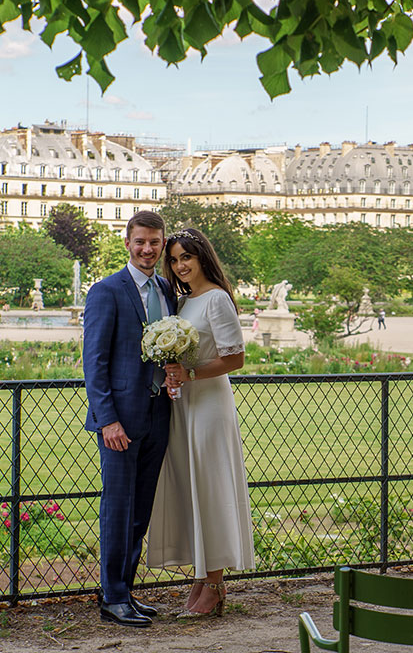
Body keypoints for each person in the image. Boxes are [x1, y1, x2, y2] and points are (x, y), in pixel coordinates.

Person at [148, 227, 254, 618]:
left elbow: (235, 358)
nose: (180, 266)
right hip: (184, 403)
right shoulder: (182, 302)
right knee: (190, 487)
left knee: (209, 486)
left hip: (209, 402)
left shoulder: (217, 300)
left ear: (202, 257)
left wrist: (189, 375)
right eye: (174, 260)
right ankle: (204, 577)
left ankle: (213, 582)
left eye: (186, 258)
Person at [82, 210, 177, 628]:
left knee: (140, 511)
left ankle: (126, 592)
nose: (147, 249)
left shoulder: (165, 289)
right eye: (140, 241)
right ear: (127, 242)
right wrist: (108, 420)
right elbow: (95, 362)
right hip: (119, 422)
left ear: (161, 243)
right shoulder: (106, 291)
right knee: (117, 509)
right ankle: (112, 597)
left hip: (159, 414)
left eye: (154, 242)